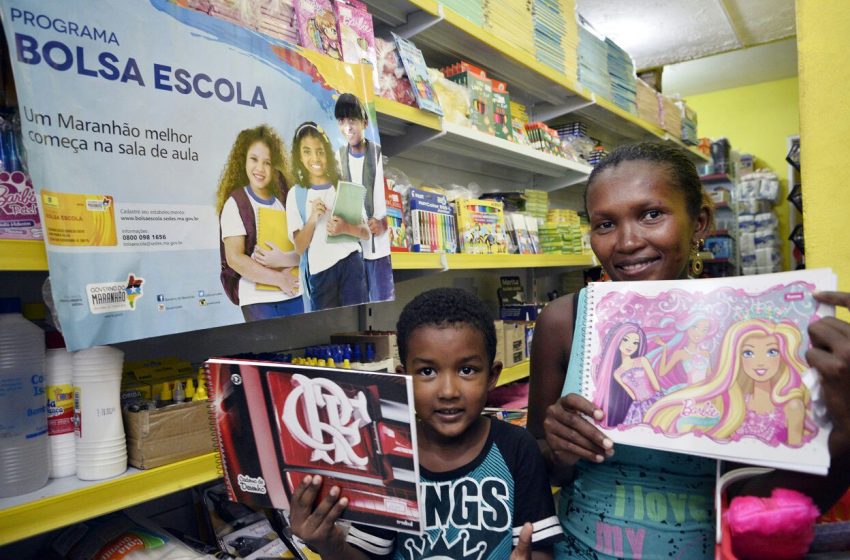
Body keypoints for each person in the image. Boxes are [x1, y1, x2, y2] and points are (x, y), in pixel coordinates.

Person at [527, 142, 850, 559]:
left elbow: (766, 504)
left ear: (699, 222)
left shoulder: (753, 333)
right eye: (604, 224)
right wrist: (559, 447)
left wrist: (845, 429)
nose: (625, 242)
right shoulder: (564, 321)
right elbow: (538, 460)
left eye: (651, 214)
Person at [290, 288, 563, 559]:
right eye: (427, 371)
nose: (448, 391)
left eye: (467, 370)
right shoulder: (387, 456)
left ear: (492, 376)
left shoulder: (516, 449)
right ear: (403, 380)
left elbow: (538, 549)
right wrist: (331, 545)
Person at [645, 318, 817, 447]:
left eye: (772, 351)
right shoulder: (734, 403)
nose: (760, 362)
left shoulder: (791, 406)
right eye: (748, 353)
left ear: (783, 355)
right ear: (736, 358)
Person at [216, 125, 302, 322]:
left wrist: (284, 260)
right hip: (258, 300)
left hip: (294, 293)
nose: (260, 169)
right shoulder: (236, 203)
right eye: (254, 159)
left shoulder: (285, 200)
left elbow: (304, 249)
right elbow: (235, 259)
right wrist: (280, 279)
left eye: (267, 163)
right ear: (243, 161)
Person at [286, 121, 369, 312]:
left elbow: (365, 233)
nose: (315, 157)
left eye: (320, 151)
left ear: (327, 154)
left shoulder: (343, 186)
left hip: (351, 263)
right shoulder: (296, 194)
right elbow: (299, 247)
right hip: (320, 272)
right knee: (325, 326)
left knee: (357, 320)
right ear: (299, 156)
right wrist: (314, 218)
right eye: (307, 151)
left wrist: (345, 228)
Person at [334, 93, 394, 303]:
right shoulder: (338, 158)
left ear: (365, 123)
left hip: (378, 252)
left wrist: (384, 223)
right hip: (352, 252)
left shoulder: (378, 155)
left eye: (352, 121)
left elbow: (395, 201)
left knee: (381, 307)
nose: (347, 128)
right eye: (342, 121)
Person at [594, 322, 662, 428]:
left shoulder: (642, 361)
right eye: (625, 340)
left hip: (654, 400)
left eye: (635, 343)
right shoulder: (617, 373)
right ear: (618, 340)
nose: (630, 346)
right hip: (638, 406)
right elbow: (633, 395)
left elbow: (656, 386)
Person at [646, 312, 715, 390]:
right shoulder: (680, 354)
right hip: (689, 391)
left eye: (704, 330)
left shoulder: (705, 354)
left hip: (703, 391)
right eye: (695, 327)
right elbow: (662, 372)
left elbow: (710, 377)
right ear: (687, 327)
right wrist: (665, 347)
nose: (699, 333)